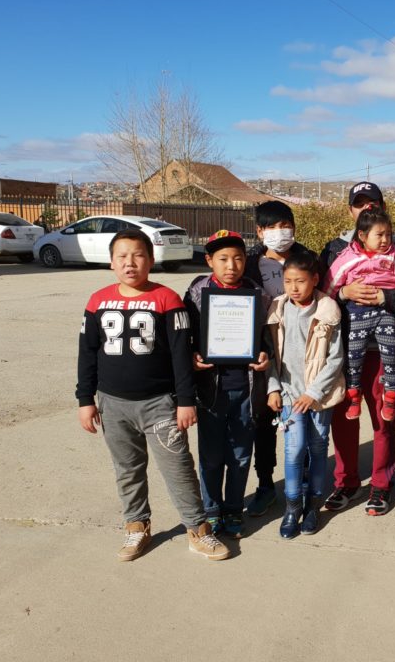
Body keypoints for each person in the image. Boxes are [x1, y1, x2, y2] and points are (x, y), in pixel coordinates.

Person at [76, 228, 229, 561]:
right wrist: (85, 400)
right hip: (112, 404)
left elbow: (180, 356)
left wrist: (186, 401)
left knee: (178, 469)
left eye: (138, 255)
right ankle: (136, 527)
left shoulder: (167, 299)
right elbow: (87, 354)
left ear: (150, 259)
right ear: (112, 262)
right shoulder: (97, 301)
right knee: (127, 469)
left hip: (160, 404)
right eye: (122, 256)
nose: (130, 263)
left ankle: (197, 529)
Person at [319, 181, 395, 517]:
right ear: (351, 211)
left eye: (372, 203)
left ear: (382, 207)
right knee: (344, 415)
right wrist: (345, 293)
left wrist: (384, 298)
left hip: (384, 344)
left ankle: (381, 484)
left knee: (382, 414)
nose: (366, 209)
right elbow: (323, 291)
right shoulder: (335, 248)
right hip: (344, 345)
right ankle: (345, 481)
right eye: (359, 204)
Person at [184, 230, 270, 540]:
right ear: (209, 260)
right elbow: (187, 337)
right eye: (222, 259)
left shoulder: (257, 295)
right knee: (210, 454)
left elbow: (267, 339)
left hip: (245, 387)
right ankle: (211, 509)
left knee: (240, 453)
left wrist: (265, 355)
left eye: (237, 258)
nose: (231, 265)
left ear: (245, 260)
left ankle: (233, 508)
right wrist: (192, 356)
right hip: (210, 389)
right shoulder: (196, 293)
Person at [265, 249, 345, 539]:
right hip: (289, 394)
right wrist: (273, 386)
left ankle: (313, 505)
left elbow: (336, 359)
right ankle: (292, 507)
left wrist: (313, 393)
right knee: (294, 450)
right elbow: (271, 355)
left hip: (319, 396)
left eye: (300, 281)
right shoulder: (277, 308)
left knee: (318, 447)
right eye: (288, 281)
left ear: (315, 279)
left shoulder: (328, 309)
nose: (294, 288)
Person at [245, 200, 314, 518]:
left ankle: (306, 484)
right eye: (270, 226)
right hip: (262, 354)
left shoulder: (309, 259)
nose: (278, 232)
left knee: (306, 420)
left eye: (283, 224)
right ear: (259, 231)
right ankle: (265, 486)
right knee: (264, 421)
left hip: (302, 355)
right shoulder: (249, 264)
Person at [324, 208, 395, 423]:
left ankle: (392, 394)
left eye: (389, 234)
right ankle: (354, 394)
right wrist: (329, 307)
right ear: (363, 236)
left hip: (385, 312)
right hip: (357, 312)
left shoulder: (394, 255)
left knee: (391, 354)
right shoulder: (348, 257)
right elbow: (331, 282)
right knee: (353, 357)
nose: (386, 240)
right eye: (379, 235)